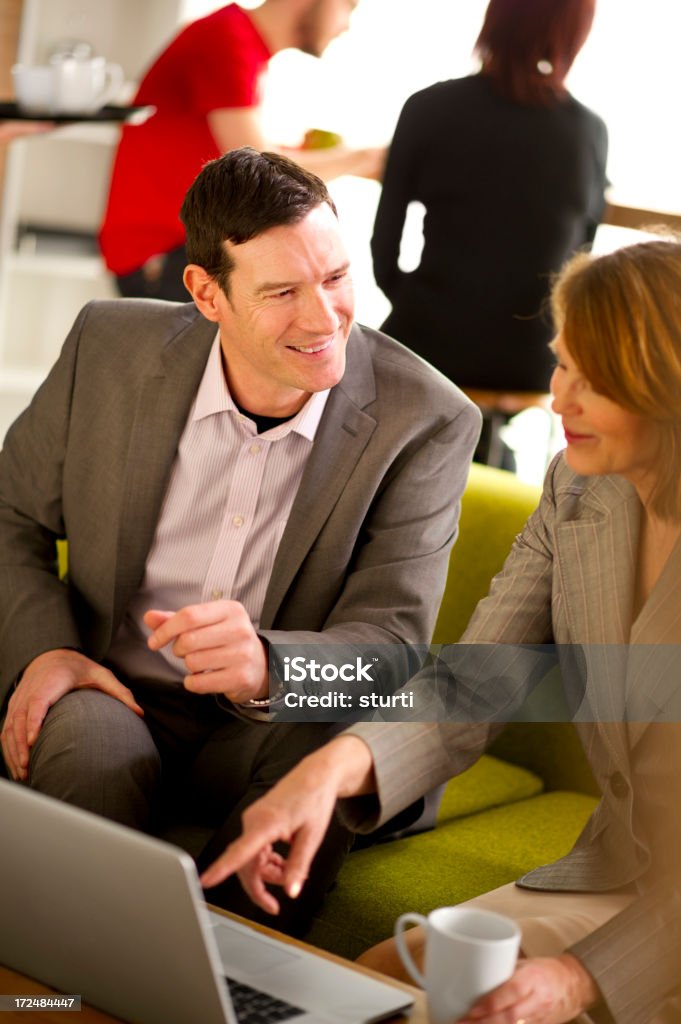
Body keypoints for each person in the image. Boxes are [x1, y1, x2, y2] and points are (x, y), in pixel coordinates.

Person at [0, 147, 480, 936]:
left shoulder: (426, 418)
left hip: (284, 720)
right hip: (112, 690)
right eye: (283, 292)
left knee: (322, 767)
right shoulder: (108, 346)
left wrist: (268, 663)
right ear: (206, 293)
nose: (324, 318)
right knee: (85, 759)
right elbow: (10, 514)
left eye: (334, 277)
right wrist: (46, 652)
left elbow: (392, 645)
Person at [200, 239, 681, 1020]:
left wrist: (579, 977)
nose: (557, 400)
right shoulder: (578, 488)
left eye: (593, 379)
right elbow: (474, 681)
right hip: (620, 871)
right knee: (383, 980)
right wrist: (327, 773)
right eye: (561, 365)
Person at [371, 0, 607, 398]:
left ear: (495, 18)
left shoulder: (429, 106)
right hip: (532, 358)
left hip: (429, 339)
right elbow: (581, 256)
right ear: (576, 32)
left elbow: (383, 244)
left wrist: (417, 305)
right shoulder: (588, 132)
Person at [99, 0, 384, 301]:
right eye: (348, 6)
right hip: (164, 256)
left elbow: (234, 152)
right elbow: (262, 171)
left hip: (180, 249)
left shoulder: (241, 42)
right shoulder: (226, 39)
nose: (346, 25)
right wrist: (363, 159)